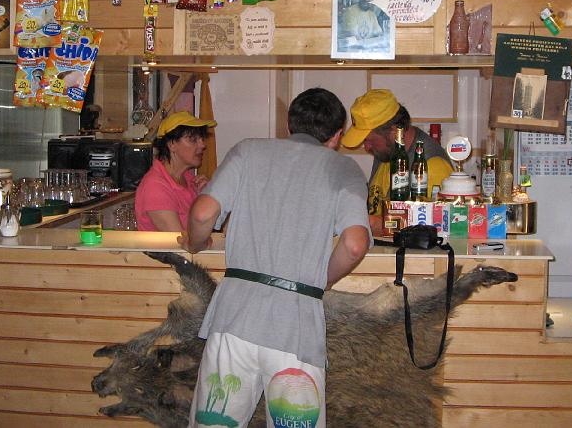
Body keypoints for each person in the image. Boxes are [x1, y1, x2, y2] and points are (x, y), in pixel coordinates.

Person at [182, 87, 371, 428]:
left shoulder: (248, 151)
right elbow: (355, 244)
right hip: (297, 328)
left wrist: (196, 244)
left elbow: (202, 214)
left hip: (234, 318)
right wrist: (323, 280)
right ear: (336, 136)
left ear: (288, 124)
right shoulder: (344, 169)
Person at [341, 89, 454, 236]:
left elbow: (434, 227)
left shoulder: (432, 165)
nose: (367, 147)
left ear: (394, 132)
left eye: (369, 140)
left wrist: (377, 224)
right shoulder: (388, 152)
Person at [134, 111, 217, 232]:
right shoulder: (155, 187)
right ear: (172, 144)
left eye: (201, 138)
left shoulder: (189, 179)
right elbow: (178, 239)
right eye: (193, 139)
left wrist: (207, 196)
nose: (202, 145)